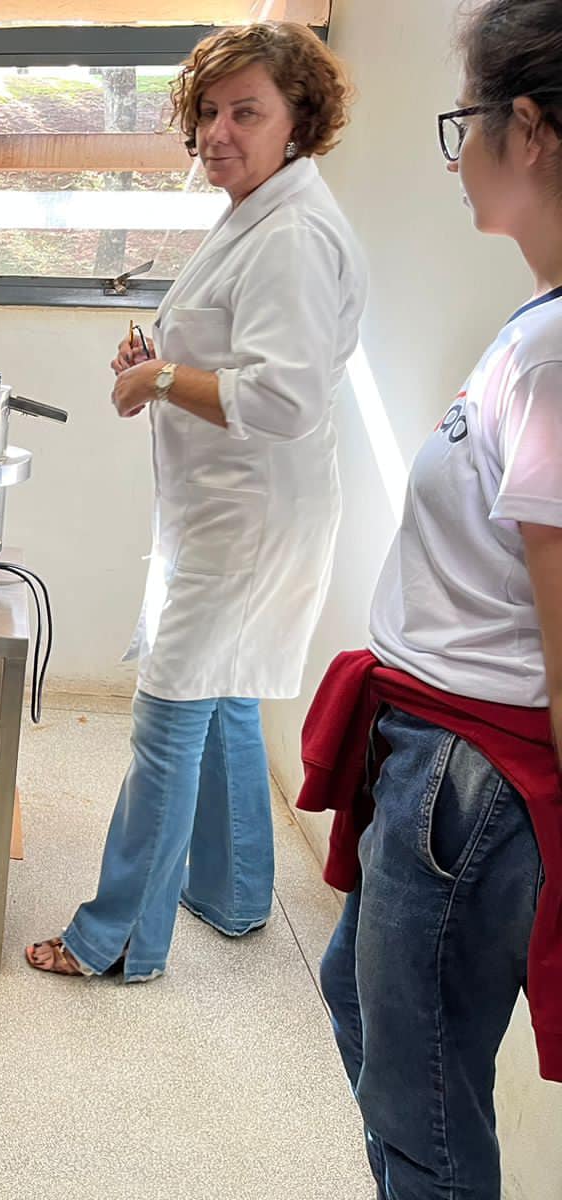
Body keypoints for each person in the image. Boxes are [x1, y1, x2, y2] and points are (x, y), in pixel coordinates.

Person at [27, 22, 367, 981]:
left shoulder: (292, 231)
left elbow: (283, 397)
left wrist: (161, 379)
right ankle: (233, 890)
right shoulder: (260, 209)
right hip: (238, 510)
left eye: (246, 112)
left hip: (247, 521)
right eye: (209, 112)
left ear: (300, 120)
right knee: (220, 699)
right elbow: (241, 356)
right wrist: (165, 365)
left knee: (171, 712)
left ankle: (117, 941)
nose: (219, 131)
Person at [302, 1, 562, 1193]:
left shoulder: (555, 356)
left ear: (528, 130)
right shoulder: (533, 329)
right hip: (430, 750)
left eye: (462, 125)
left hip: (467, 774)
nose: (453, 154)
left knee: (425, 1106)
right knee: (378, 1029)